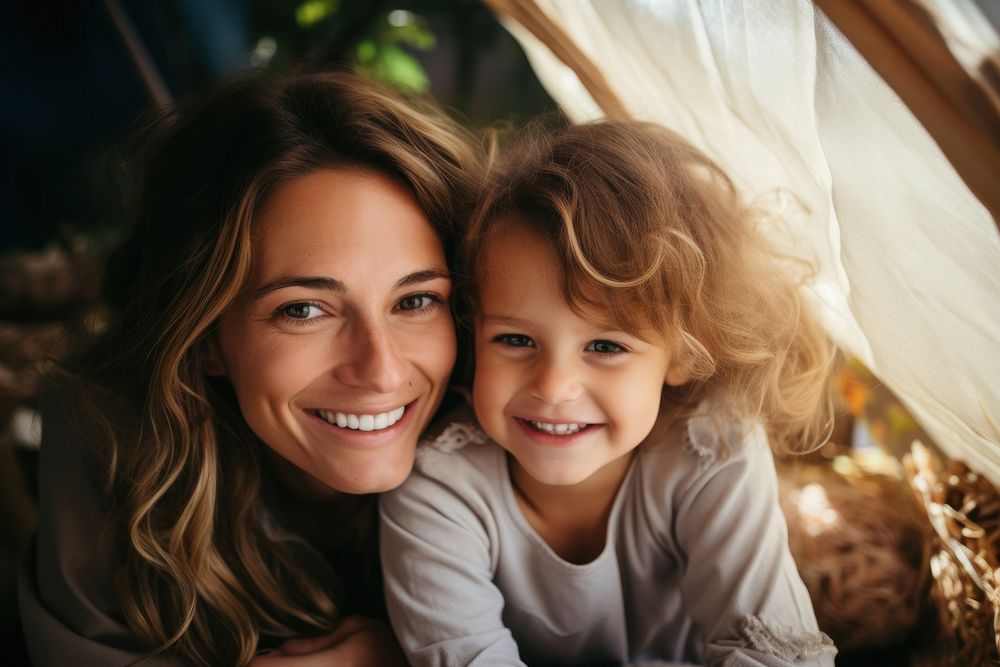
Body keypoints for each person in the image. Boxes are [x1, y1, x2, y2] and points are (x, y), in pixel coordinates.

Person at [18, 70, 481, 666]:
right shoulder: (110, 432)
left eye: (415, 301)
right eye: (304, 309)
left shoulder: (535, 427)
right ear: (205, 334)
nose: (383, 371)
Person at [380, 119, 839, 666]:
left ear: (686, 352)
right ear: (473, 331)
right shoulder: (438, 485)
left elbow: (781, 656)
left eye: (605, 347)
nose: (552, 387)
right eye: (516, 339)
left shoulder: (712, 449)